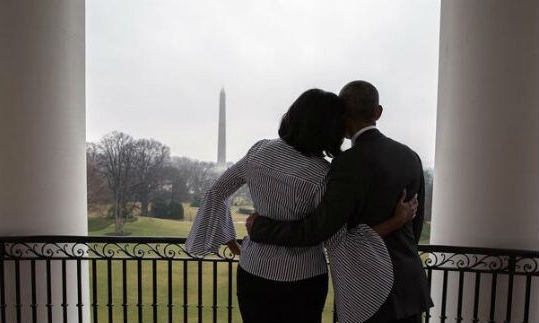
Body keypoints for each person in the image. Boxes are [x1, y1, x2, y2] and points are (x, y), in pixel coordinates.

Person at [186, 88, 417, 323]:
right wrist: (396, 221)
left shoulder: (258, 151)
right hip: (302, 279)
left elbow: (216, 192)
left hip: (252, 270)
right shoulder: (323, 174)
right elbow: (337, 239)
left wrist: (228, 237)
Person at [247, 80, 433, 323]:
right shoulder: (410, 156)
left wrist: (260, 227)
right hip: (410, 286)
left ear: (341, 115)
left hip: (367, 291)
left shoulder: (347, 164)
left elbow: (318, 229)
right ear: (378, 112)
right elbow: (415, 227)